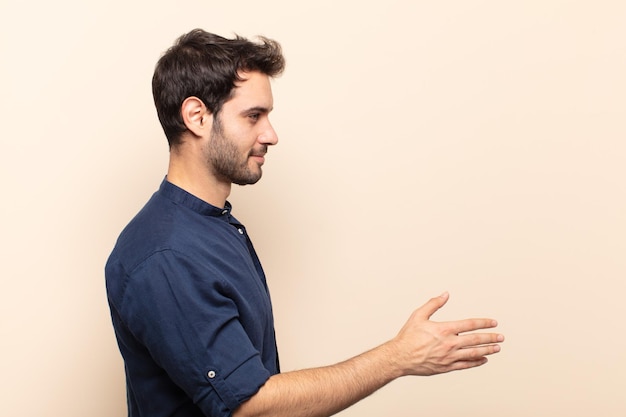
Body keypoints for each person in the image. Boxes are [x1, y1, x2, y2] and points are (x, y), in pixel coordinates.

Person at [105, 28, 504, 417]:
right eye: (253, 116)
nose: (271, 134)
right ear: (197, 116)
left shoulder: (212, 227)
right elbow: (250, 407)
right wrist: (398, 357)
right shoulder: (167, 256)